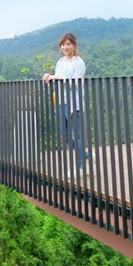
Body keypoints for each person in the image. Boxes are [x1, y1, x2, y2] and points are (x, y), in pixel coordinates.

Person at [42, 33, 87, 176]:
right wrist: (48, 76)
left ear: (74, 45)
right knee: (65, 136)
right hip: (60, 102)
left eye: (68, 44)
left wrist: (55, 77)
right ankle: (85, 154)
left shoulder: (78, 62)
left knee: (77, 135)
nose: (65, 47)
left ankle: (81, 167)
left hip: (73, 103)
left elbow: (75, 82)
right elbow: (56, 80)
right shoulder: (60, 62)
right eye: (63, 44)